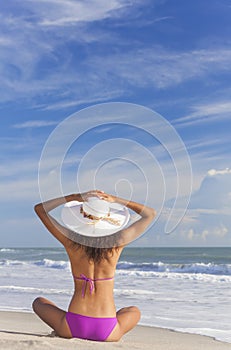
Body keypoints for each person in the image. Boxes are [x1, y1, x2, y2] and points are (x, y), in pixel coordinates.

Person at [32, 190, 156, 342]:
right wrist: (116, 200)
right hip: (107, 331)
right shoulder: (116, 244)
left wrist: (74, 197)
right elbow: (150, 213)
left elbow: (40, 209)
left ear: (79, 220)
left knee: (39, 302)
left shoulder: (72, 243)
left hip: (72, 326)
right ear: (108, 221)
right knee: (133, 311)